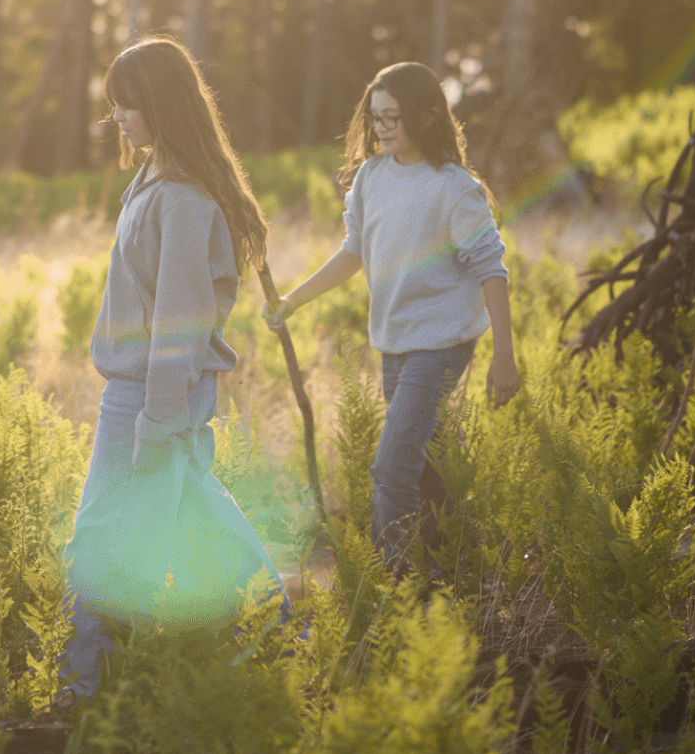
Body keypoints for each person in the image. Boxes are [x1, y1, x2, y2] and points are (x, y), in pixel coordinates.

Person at [57, 37, 288, 705]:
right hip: (141, 392)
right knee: (202, 517)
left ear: (160, 104)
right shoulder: (153, 178)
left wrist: (156, 419)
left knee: (99, 539)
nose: (118, 118)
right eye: (115, 106)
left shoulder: (184, 199)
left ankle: (80, 689)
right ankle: (282, 629)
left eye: (127, 105)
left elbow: (180, 325)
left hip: (148, 396)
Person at [264, 62, 519, 569]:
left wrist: (504, 360)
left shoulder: (453, 187)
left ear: (424, 116)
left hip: (442, 343)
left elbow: (493, 270)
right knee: (431, 465)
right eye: (375, 117)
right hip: (395, 341)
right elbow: (352, 253)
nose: (380, 127)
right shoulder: (371, 179)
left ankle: (389, 587)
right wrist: (293, 299)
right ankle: (458, 569)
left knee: (392, 466)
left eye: (392, 118)